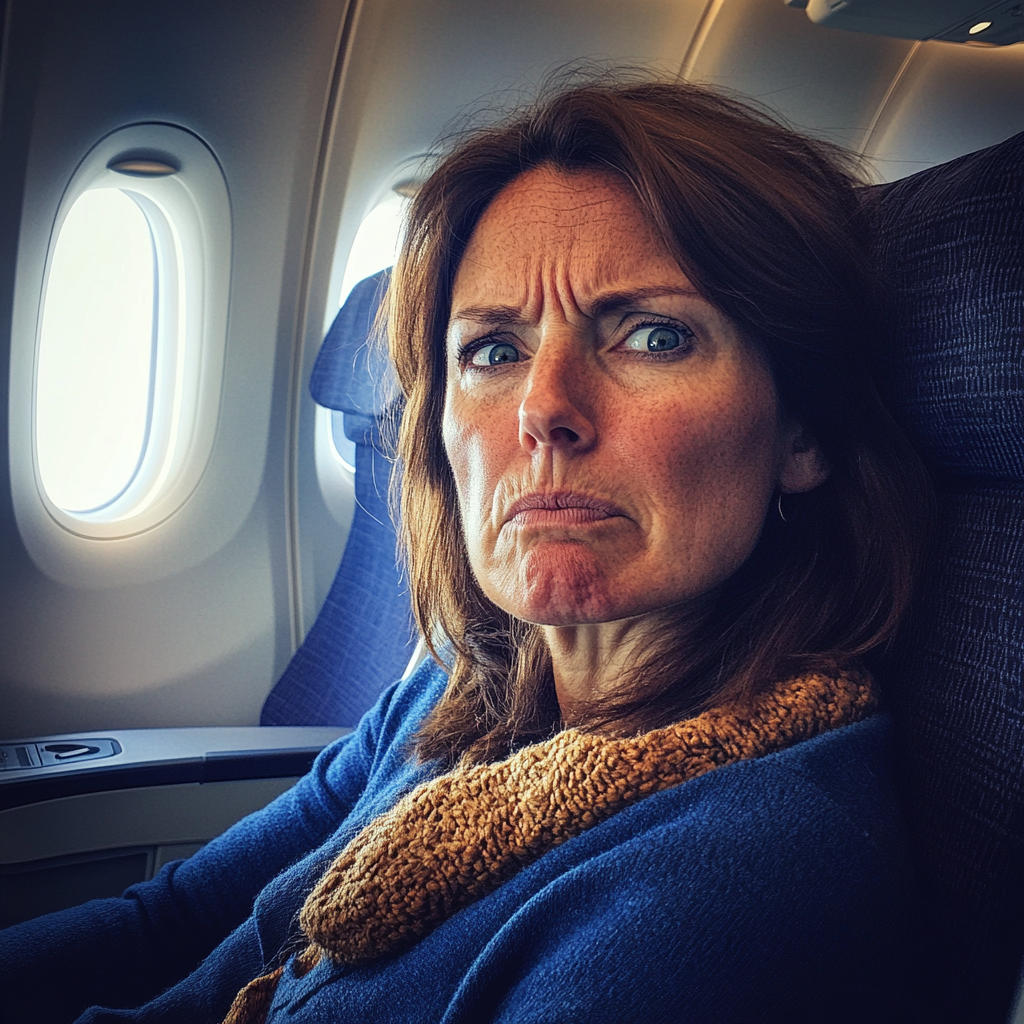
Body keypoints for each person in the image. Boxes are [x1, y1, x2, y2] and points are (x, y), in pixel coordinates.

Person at [1, 79, 933, 1023]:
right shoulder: (461, 688)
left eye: (653, 335)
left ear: (803, 432)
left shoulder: (738, 885)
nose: (544, 410)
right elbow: (173, 921)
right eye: (492, 349)